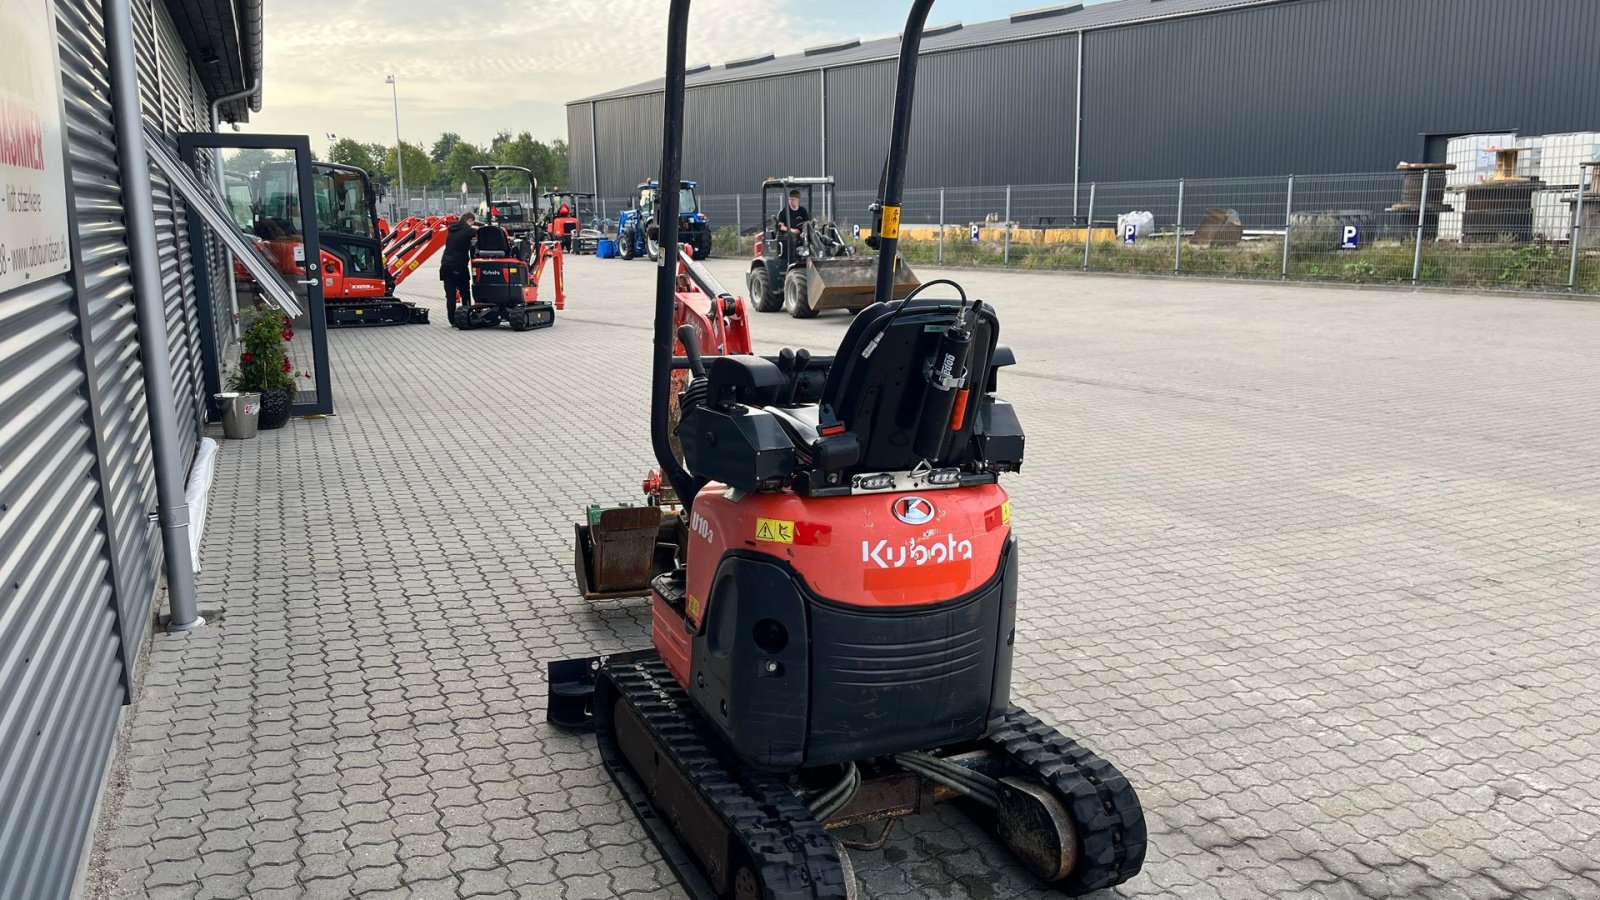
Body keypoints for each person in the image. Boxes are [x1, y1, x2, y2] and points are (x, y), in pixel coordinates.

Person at [440, 211, 477, 324]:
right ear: (469, 220)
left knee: (450, 295)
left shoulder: (452, 228)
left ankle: (452, 320)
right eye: (471, 222)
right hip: (459, 265)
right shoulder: (467, 229)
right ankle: (467, 316)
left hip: (445, 265)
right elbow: (478, 232)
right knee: (465, 292)